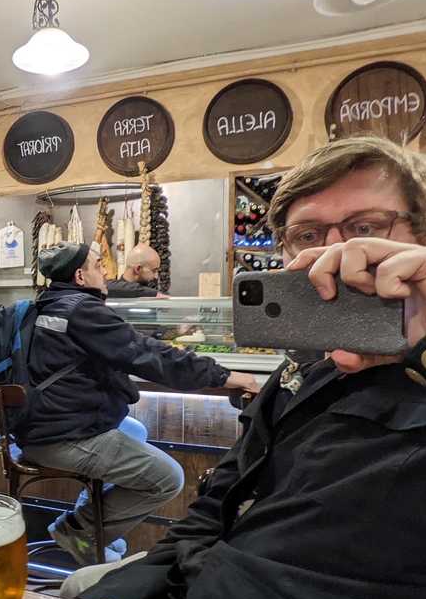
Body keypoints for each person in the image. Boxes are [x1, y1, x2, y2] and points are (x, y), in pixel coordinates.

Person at [68, 136, 426, 599]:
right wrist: (132, 590)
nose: (339, 251)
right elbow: (213, 510)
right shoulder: (299, 376)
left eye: (368, 224)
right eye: (308, 235)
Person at [19, 240, 259, 566]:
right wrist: (223, 375)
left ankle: (91, 520)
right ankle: (78, 530)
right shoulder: (81, 310)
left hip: (40, 426)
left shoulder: (48, 304)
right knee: (168, 478)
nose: (105, 270)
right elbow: (147, 355)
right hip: (60, 436)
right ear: (80, 275)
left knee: (133, 430)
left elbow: (125, 347)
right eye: (97, 265)